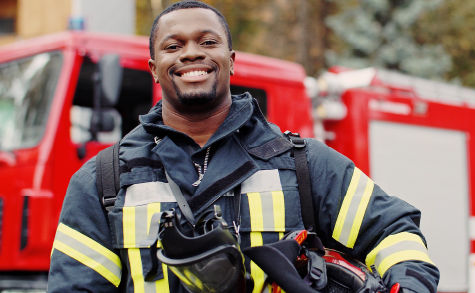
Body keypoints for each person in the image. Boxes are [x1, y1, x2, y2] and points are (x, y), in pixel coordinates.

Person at [47, 1, 440, 292]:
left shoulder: (305, 165)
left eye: (207, 41)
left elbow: (393, 231)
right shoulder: (103, 181)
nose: (191, 53)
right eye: (173, 46)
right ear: (153, 67)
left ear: (231, 60)